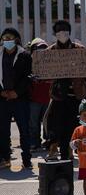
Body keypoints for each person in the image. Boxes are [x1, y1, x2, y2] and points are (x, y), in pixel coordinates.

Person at [45, 20, 86, 161]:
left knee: (72, 125)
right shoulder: (50, 52)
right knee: (57, 125)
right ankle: (55, 149)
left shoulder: (80, 50)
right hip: (58, 96)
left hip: (75, 95)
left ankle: (69, 151)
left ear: (69, 32)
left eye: (64, 30)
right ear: (55, 33)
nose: (62, 33)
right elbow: (44, 73)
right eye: (59, 30)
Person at [0, 28, 33, 170]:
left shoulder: (24, 55)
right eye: (4, 38)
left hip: (20, 99)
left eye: (10, 37)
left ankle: (26, 160)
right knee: (3, 131)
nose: (7, 40)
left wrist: (17, 92)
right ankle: (5, 158)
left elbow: (28, 78)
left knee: (24, 130)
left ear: (17, 39)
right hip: (2, 99)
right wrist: (1, 92)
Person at [28, 38, 51, 151]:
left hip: (48, 98)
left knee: (48, 122)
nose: (41, 52)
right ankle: (34, 142)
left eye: (44, 49)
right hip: (34, 98)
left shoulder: (52, 63)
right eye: (38, 49)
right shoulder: (28, 63)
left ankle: (48, 141)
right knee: (33, 123)